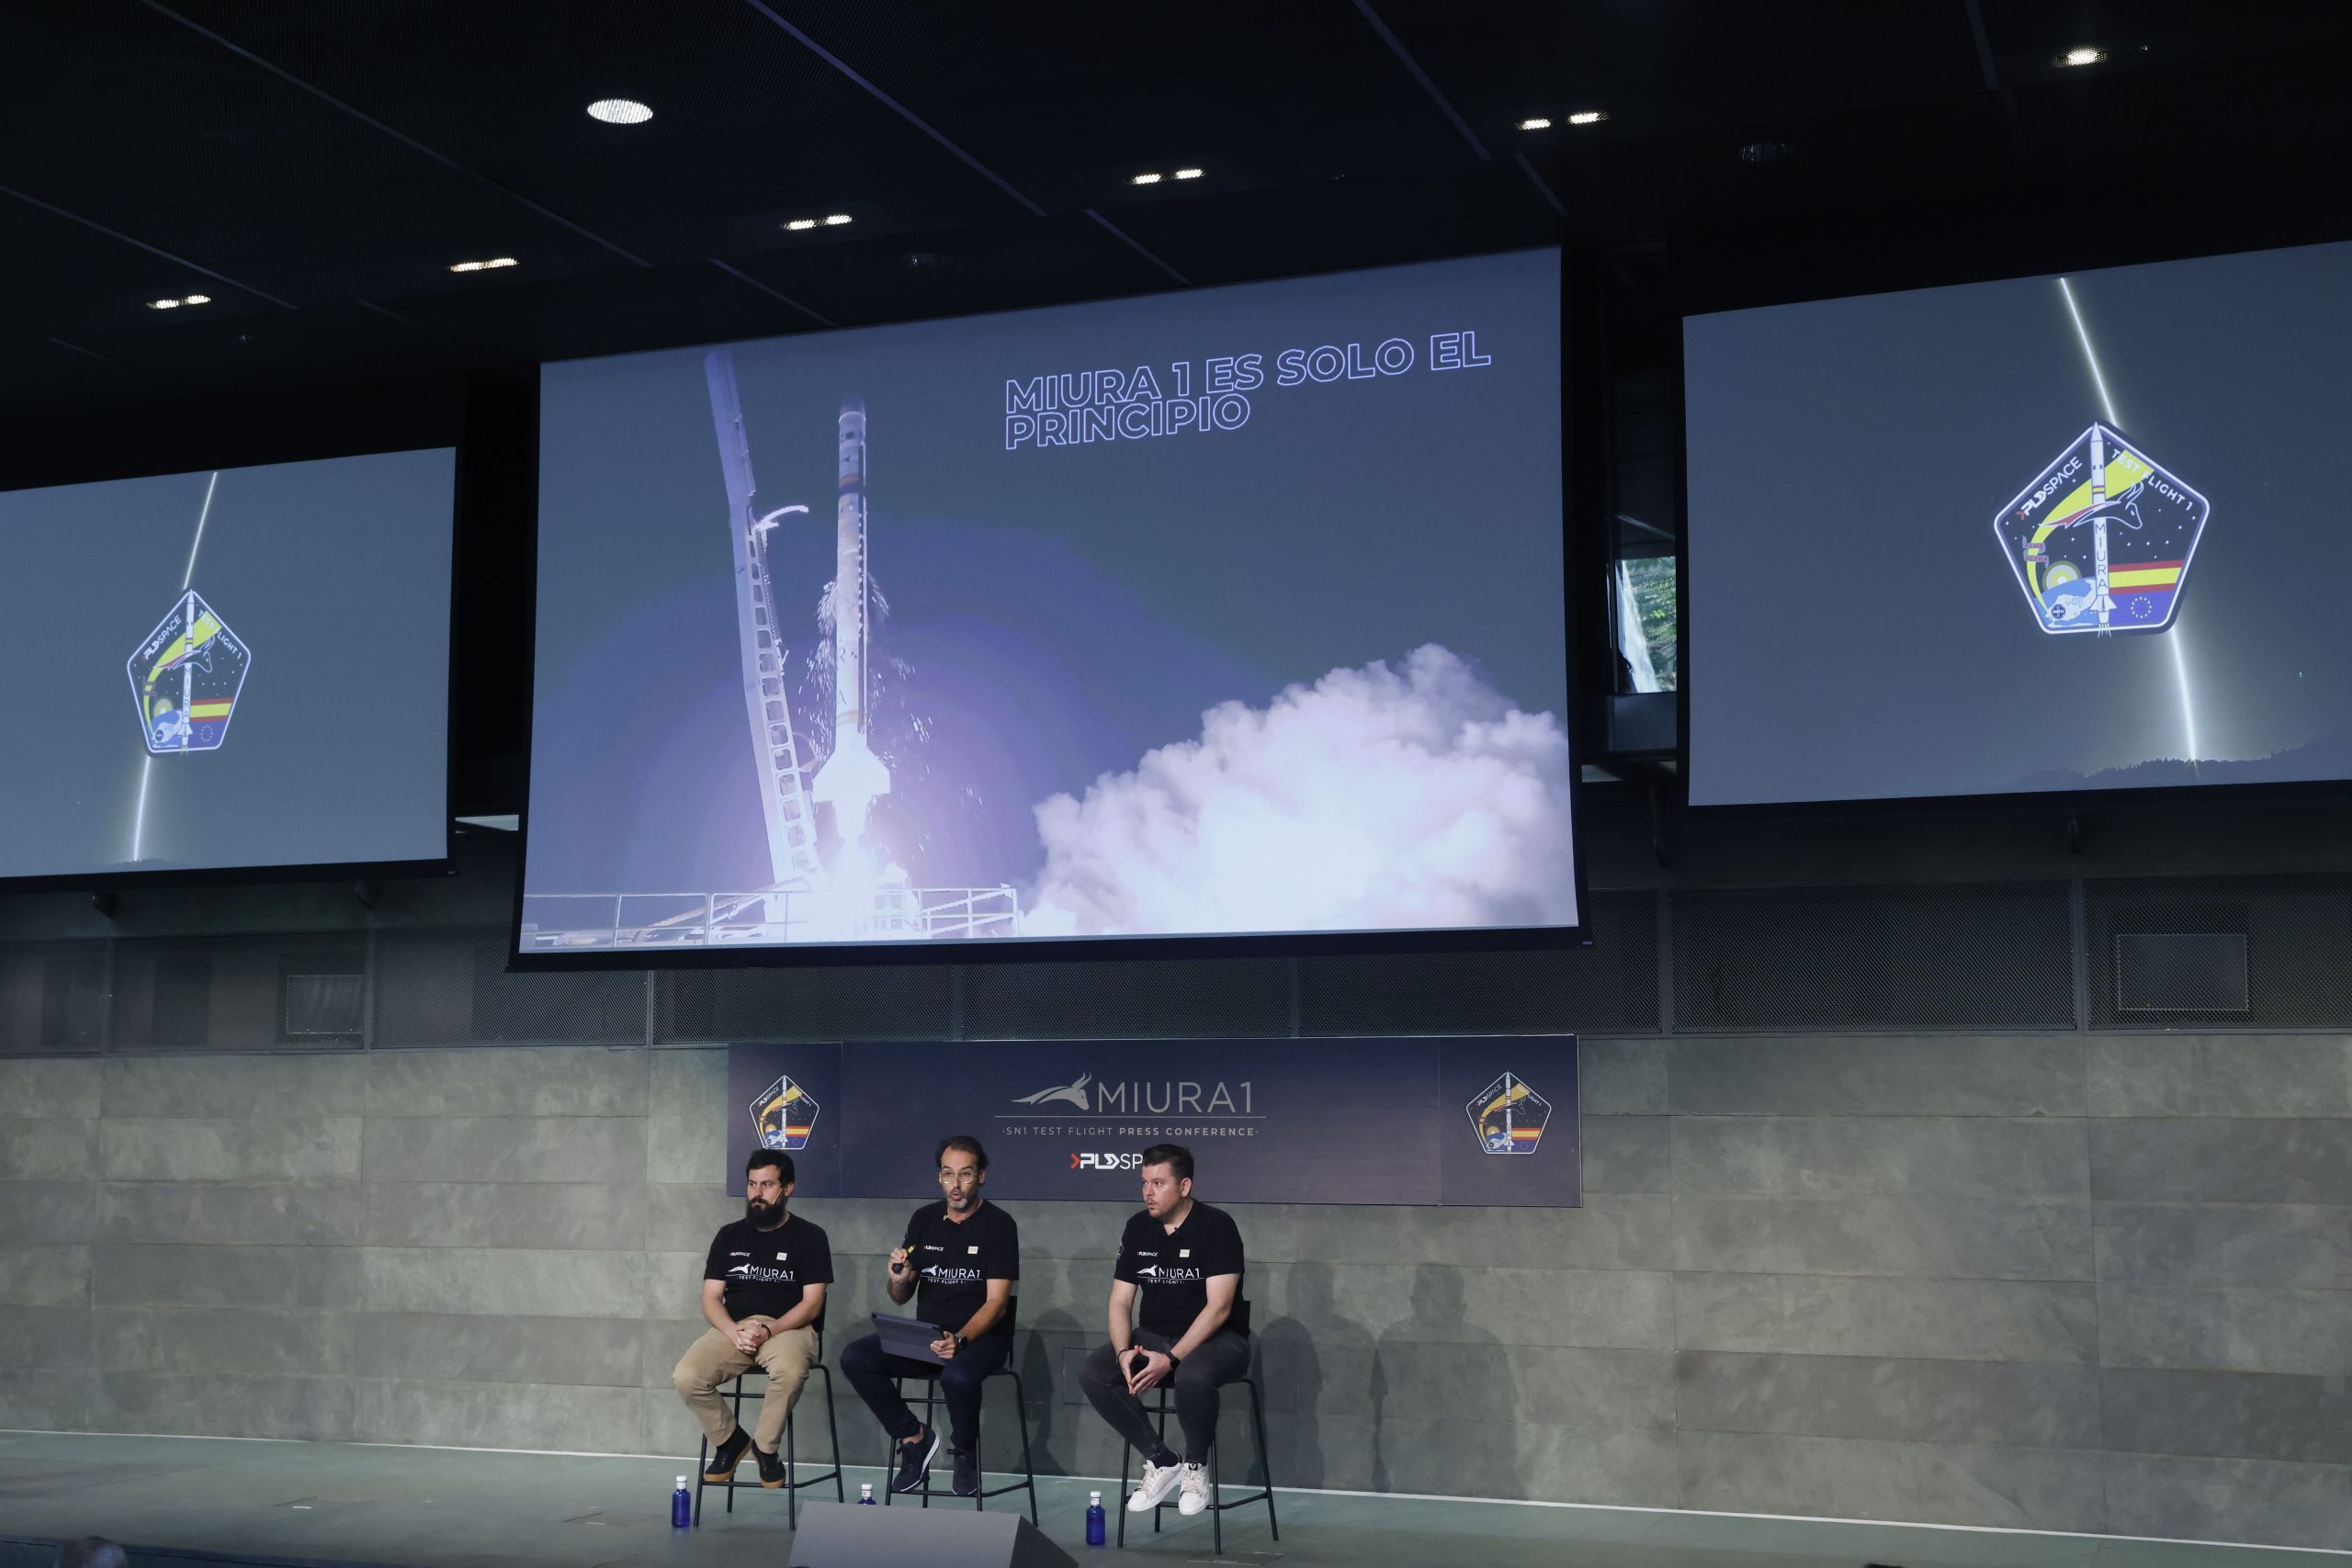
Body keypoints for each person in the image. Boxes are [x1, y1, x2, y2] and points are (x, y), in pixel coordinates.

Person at [838, 1134, 1020, 1498]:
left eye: (965, 1174)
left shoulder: (1000, 1225)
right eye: (948, 1174)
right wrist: (899, 1279)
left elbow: (997, 1303)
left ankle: (964, 1453)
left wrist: (960, 1340)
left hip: (982, 1341)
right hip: (929, 1338)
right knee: (855, 1357)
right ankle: (913, 1438)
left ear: (981, 1176)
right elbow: (900, 1296)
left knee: (957, 1376)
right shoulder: (923, 1219)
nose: (956, 1184)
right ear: (939, 1177)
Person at [1079, 1143, 1250, 1520]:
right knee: (1094, 1373)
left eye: (1158, 1183)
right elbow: (1120, 1301)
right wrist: (1123, 1351)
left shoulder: (1217, 1226)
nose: (1148, 1192)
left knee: (1192, 1375)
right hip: (1152, 1336)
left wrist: (1171, 1359)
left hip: (1220, 1340)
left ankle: (1195, 1467)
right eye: (1144, 1183)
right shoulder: (1138, 1227)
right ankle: (1162, 1460)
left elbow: (1219, 1308)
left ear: (1184, 1186)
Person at [672, 1149, 832, 1488]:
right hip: (737, 1328)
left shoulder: (811, 1236)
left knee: (790, 1371)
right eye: (752, 1184)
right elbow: (711, 1298)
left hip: (789, 1327)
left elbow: (812, 1303)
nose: (757, 1193)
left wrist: (769, 1330)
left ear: (787, 1188)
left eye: (767, 1185)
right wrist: (733, 1331)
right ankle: (730, 1440)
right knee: (687, 1376)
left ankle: (765, 1448)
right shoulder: (729, 1235)